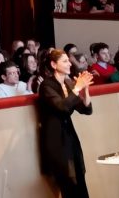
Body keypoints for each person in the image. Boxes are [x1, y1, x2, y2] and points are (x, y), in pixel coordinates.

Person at [38, 49, 93, 198]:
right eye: (65, 61)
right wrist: (77, 88)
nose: (69, 64)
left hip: (69, 136)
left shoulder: (67, 84)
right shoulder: (46, 85)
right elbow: (62, 107)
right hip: (56, 139)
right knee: (69, 183)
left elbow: (86, 110)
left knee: (80, 181)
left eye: (69, 61)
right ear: (53, 64)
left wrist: (85, 89)